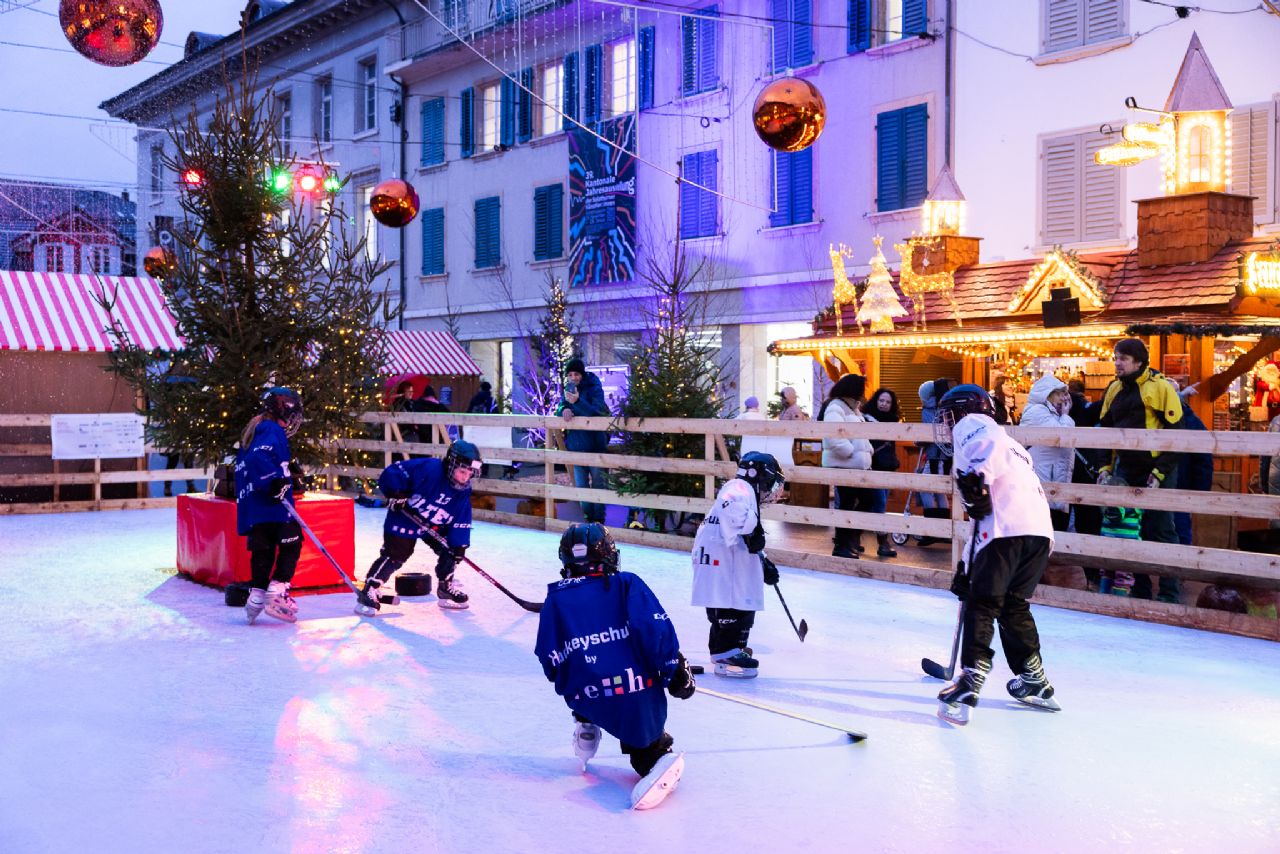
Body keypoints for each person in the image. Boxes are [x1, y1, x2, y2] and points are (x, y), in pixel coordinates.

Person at [535, 523, 695, 810]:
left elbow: (549, 659)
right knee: (644, 740)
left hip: (588, 695)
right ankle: (655, 755)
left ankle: (585, 723)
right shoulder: (626, 584)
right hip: (634, 690)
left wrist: (576, 686)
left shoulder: (555, 600)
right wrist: (675, 668)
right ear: (609, 555)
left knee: (582, 682)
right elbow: (654, 629)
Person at [932, 384, 1059, 725]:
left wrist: (974, 482)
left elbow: (981, 472)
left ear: (963, 410)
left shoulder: (973, 426)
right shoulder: (1014, 445)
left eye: (947, 416)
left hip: (1006, 533)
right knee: (1014, 605)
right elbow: (988, 513)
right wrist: (966, 567)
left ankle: (970, 679)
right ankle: (1033, 676)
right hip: (1037, 533)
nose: (946, 425)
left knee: (982, 603)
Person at [1097, 338, 1185, 603]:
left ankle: (1169, 593)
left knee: (1161, 529)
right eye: (1115, 357)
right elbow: (1104, 432)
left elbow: (1177, 434)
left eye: (1122, 358)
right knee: (1132, 531)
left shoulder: (1159, 388)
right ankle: (1141, 590)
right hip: (1127, 470)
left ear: (1138, 361)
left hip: (1157, 469)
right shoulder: (1113, 390)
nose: (1117, 363)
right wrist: (1104, 466)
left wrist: (1160, 473)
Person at [354, 440, 483, 615]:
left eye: (470, 473)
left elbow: (461, 517)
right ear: (452, 465)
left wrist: (459, 545)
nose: (465, 477)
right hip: (405, 517)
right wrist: (396, 493)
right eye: (462, 471)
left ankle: (445, 587)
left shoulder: (462, 490)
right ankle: (370, 588)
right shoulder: (429, 469)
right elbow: (394, 471)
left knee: (452, 549)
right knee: (396, 554)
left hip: (432, 522)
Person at [690, 451, 785, 679]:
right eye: (770, 482)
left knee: (734, 598)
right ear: (759, 475)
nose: (770, 489)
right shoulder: (739, 488)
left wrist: (762, 562)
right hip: (720, 559)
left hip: (724, 558)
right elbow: (730, 507)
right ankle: (727, 651)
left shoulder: (745, 490)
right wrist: (751, 529)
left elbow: (744, 537)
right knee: (731, 602)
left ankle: (727, 648)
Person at [234, 387, 306, 625]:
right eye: (292, 412)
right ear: (282, 409)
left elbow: (252, 461)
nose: (294, 419)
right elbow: (258, 459)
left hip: (256, 508)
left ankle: (256, 597)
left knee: (262, 552)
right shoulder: (272, 429)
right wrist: (274, 481)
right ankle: (277, 591)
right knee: (293, 541)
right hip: (274, 507)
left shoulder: (255, 430)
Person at [818, 375, 875, 559]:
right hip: (843, 466)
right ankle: (842, 544)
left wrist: (868, 451)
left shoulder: (853, 410)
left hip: (857, 467)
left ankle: (850, 539)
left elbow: (860, 436)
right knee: (847, 504)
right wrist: (850, 453)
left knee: (867, 501)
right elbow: (833, 436)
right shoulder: (836, 407)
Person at [558, 358, 611, 525]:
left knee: (598, 484)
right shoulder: (568, 389)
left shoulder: (594, 387)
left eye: (576, 374)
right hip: (576, 445)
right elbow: (560, 407)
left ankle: (599, 521)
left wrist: (577, 402)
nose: (573, 378)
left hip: (595, 444)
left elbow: (597, 411)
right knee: (581, 486)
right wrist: (564, 409)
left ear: (582, 374)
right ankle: (587, 518)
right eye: (570, 375)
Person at [1020, 374, 1076, 531]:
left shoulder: (1052, 413)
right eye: (1060, 394)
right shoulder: (1037, 411)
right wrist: (1065, 415)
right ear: (1048, 394)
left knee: (1055, 523)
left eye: (1065, 394)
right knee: (1044, 524)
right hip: (1045, 475)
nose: (1064, 398)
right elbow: (1061, 437)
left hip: (1053, 474)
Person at [915, 378, 954, 547]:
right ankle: (944, 531)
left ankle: (932, 530)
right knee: (939, 491)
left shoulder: (929, 408)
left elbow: (929, 433)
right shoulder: (945, 406)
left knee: (924, 487)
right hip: (945, 456)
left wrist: (918, 440)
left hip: (935, 455)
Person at [865, 386, 902, 558]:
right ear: (875, 400)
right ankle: (883, 543)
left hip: (888, 467)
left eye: (888, 402)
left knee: (875, 504)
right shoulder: (867, 419)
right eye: (881, 400)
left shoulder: (894, 421)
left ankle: (854, 538)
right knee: (879, 504)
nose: (884, 404)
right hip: (872, 466)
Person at [1172, 401, 1214, 548]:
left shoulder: (1191, 421)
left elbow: (1203, 460)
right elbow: (1204, 461)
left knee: (1177, 530)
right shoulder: (1193, 421)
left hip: (1180, 487)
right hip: (1181, 486)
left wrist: (1199, 493)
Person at [390, 380, 420, 446]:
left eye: (412, 391)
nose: (411, 393)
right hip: (405, 434)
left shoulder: (412, 403)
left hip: (412, 433)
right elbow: (402, 421)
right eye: (409, 391)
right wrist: (414, 426)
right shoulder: (398, 404)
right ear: (403, 393)